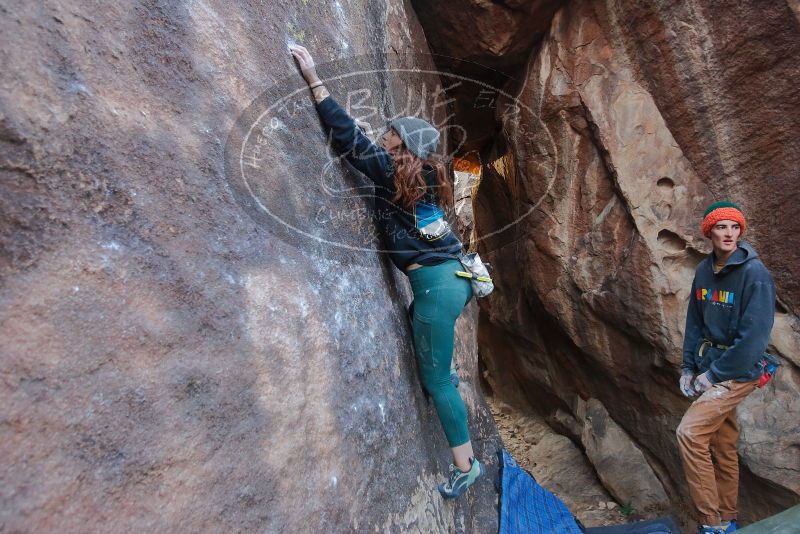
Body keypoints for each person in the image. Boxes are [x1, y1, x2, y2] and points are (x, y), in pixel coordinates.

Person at [289, 44, 485, 499]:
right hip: (452, 282)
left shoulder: (393, 171)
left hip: (436, 286)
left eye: (392, 131)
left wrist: (315, 79)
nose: (386, 132)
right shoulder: (428, 175)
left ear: (403, 145)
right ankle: (447, 378)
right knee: (434, 355)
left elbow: (347, 138)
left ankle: (465, 465)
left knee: (435, 381)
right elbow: (371, 148)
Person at [676, 201, 776, 533]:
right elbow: (695, 323)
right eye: (721, 227)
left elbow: (753, 341)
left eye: (735, 227)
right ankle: (730, 520)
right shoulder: (704, 271)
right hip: (708, 363)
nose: (729, 233)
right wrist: (688, 368)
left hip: (738, 370)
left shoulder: (754, 274)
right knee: (721, 443)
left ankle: (712, 525)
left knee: (690, 434)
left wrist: (713, 377)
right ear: (710, 232)